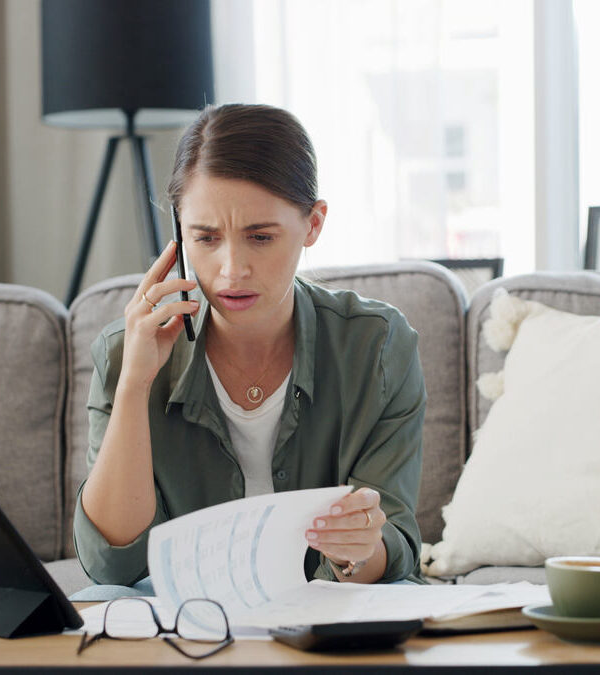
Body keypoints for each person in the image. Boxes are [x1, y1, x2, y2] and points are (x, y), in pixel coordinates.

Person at [73, 104, 425, 592]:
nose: (231, 268)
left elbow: (395, 550)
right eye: (206, 237)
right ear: (178, 231)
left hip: (331, 603)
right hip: (187, 610)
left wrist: (359, 550)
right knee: (106, 600)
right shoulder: (125, 350)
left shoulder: (377, 346)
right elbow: (112, 566)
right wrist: (134, 385)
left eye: (260, 237)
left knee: (399, 596)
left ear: (314, 224)